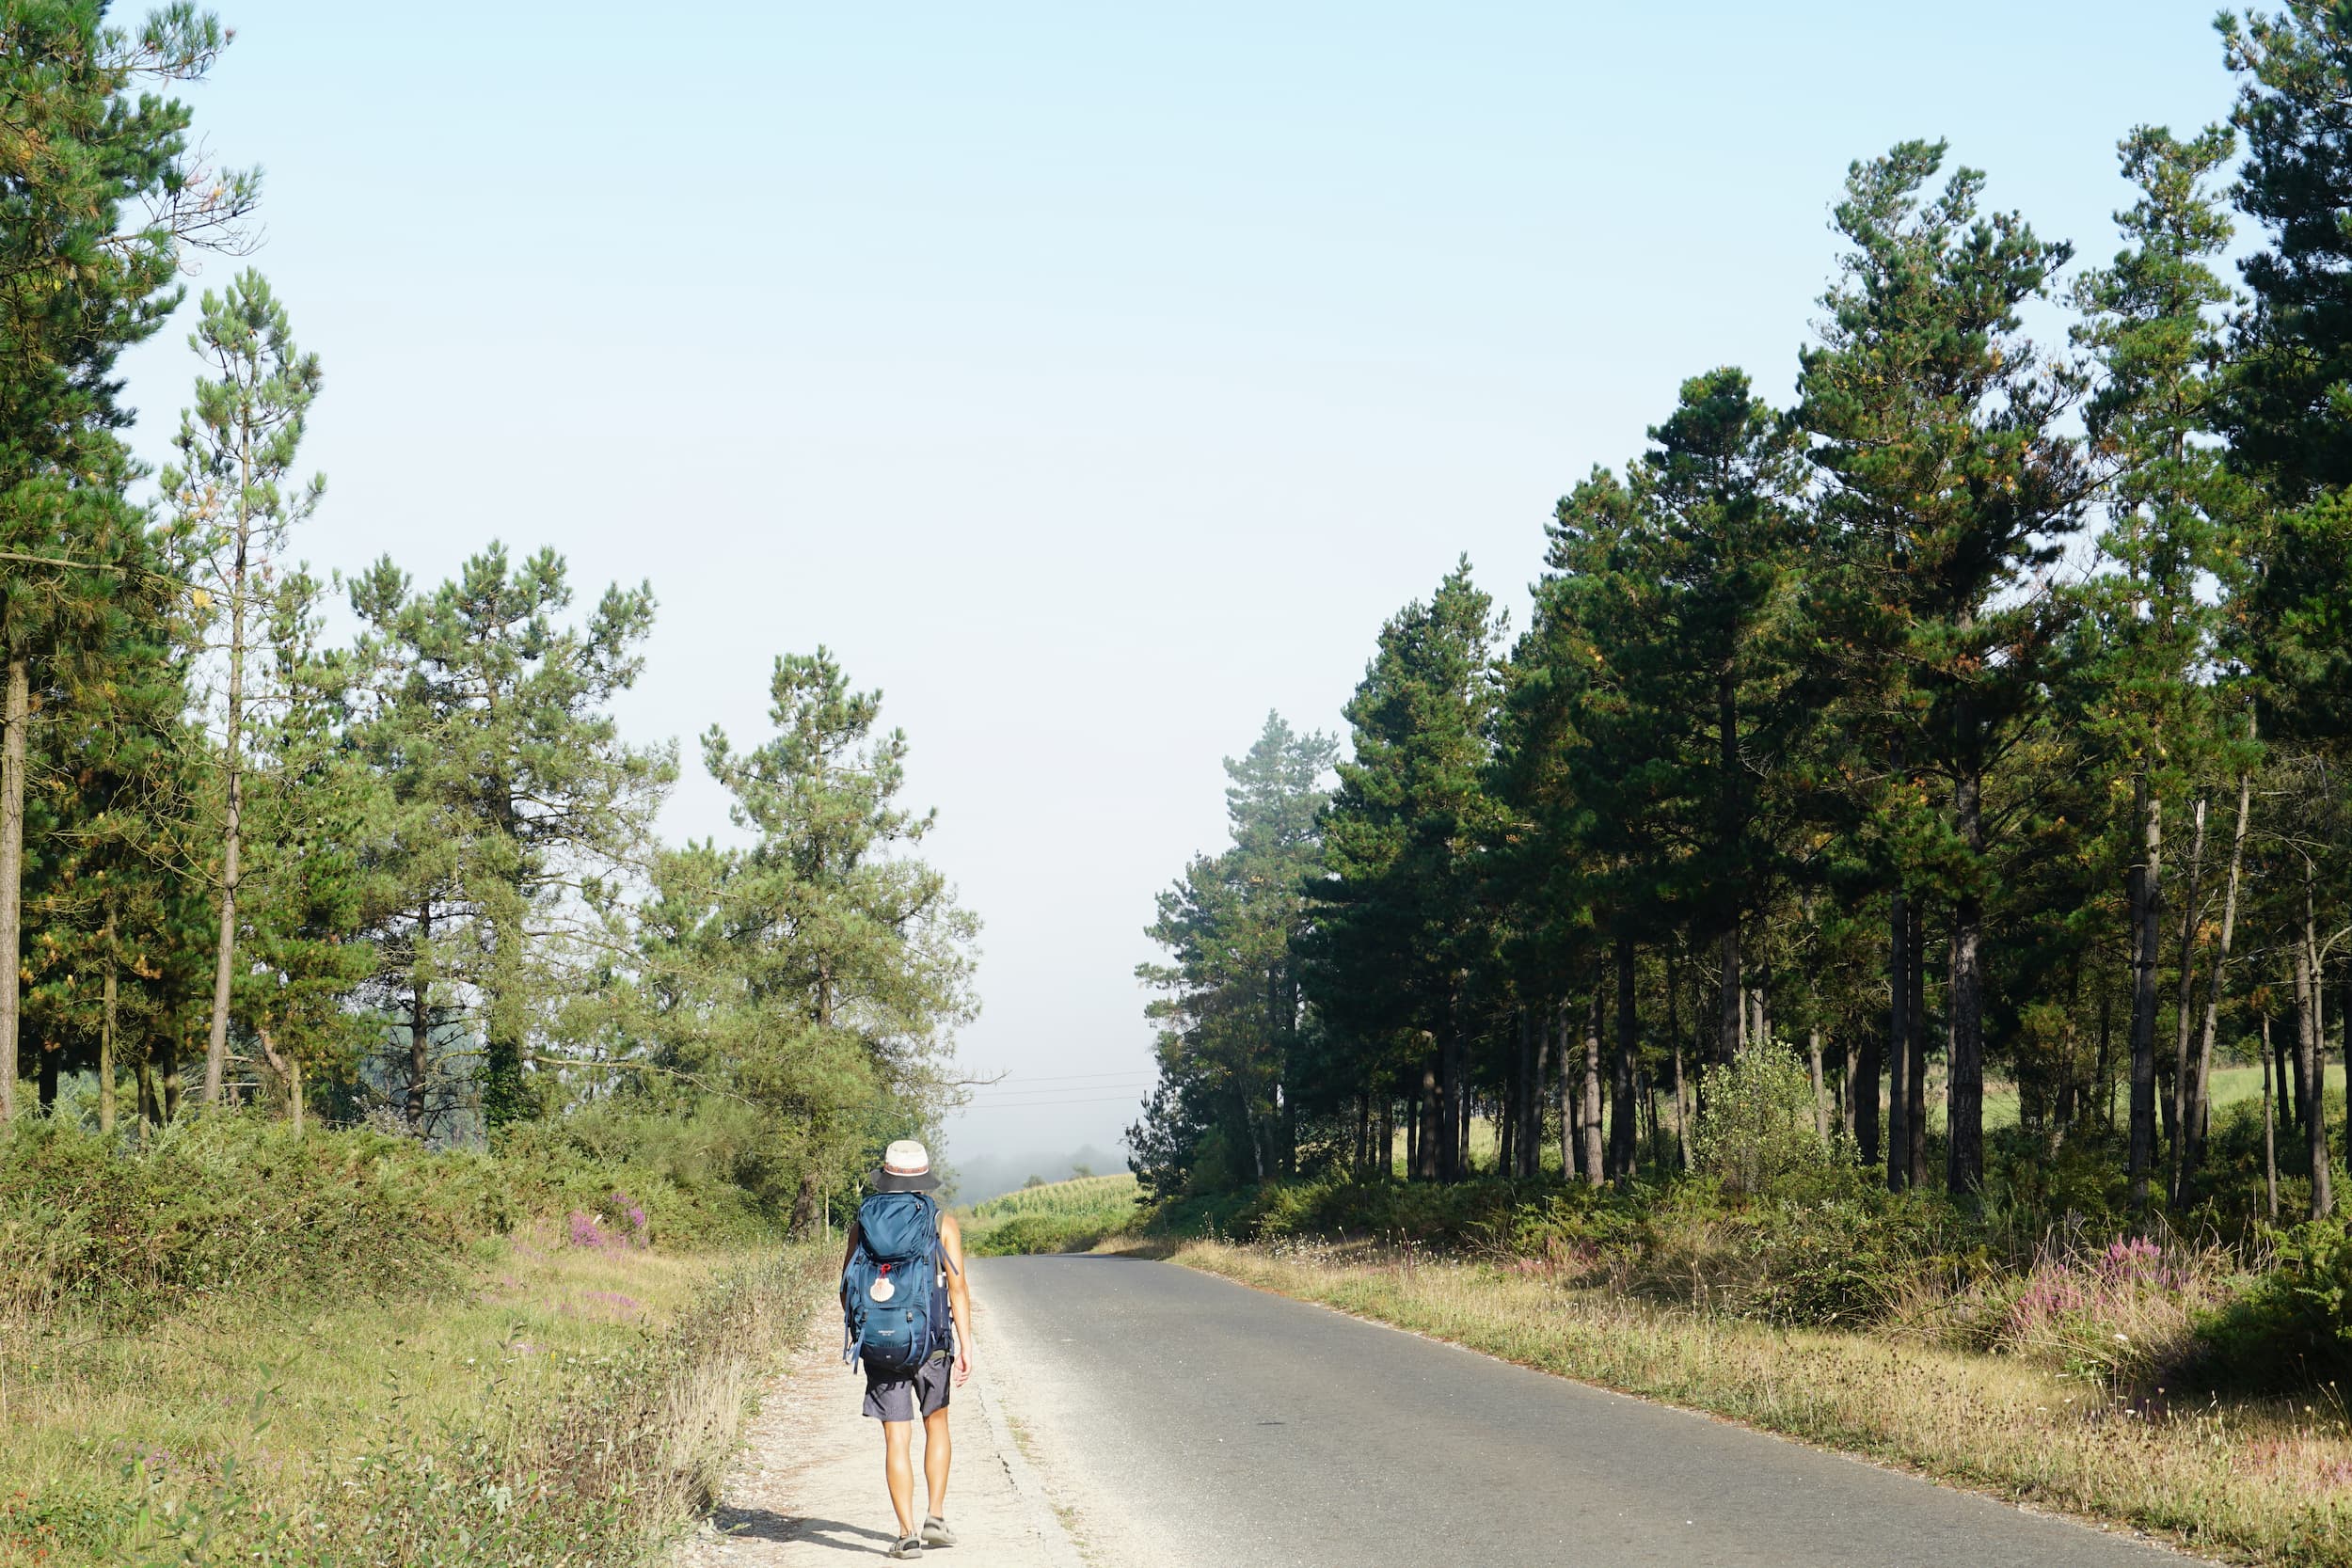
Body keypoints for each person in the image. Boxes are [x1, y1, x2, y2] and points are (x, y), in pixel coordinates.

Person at [841, 1139, 973, 1560]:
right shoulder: (941, 1222)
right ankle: (936, 1516)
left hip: (882, 1345)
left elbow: (845, 1289)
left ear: (887, 1174)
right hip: (932, 1343)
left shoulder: (862, 1224)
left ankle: (906, 1533)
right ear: (922, 1177)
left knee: (896, 1439)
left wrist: (871, 1324)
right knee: (937, 1425)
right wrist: (966, 1344)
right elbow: (957, 1287)